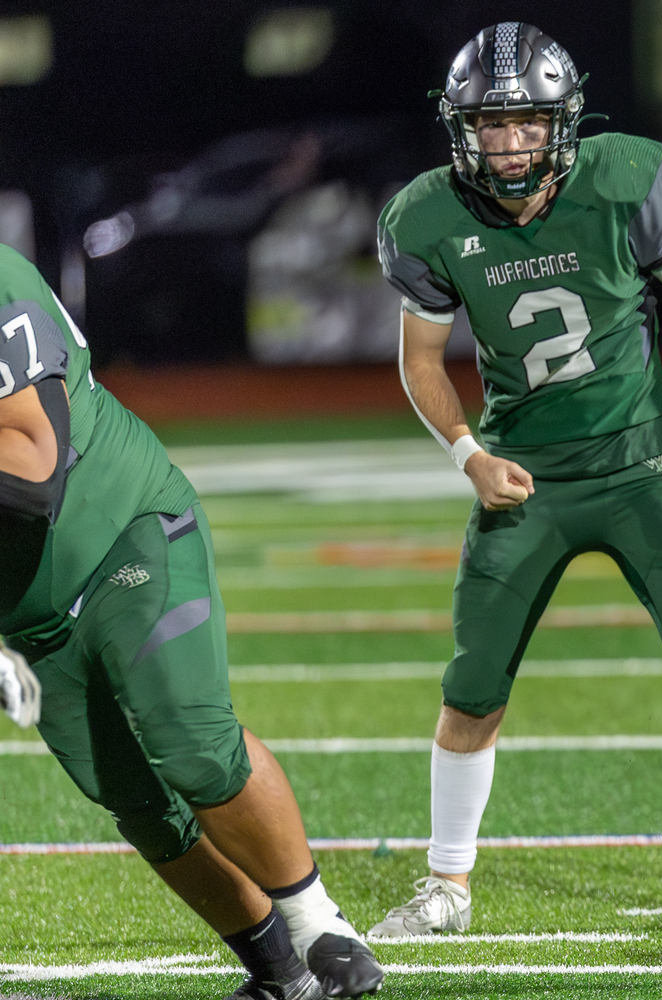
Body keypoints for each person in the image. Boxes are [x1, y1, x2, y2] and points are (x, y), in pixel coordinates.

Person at [367, 22, 662, 936]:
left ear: (562, 122)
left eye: (527, 123)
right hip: (525, 472)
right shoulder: (429, 218)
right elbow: (422, 360)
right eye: (490, 126)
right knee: (473, 686)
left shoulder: (621, 183)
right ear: (462, 130)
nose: (508, 144)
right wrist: (469, 454)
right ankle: (447, 886)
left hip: (640, 458)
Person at [0, 244, 383, 999]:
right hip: (28, 606)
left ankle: (319, 927)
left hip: (122, 531)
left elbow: (33, 468)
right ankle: (277, 970)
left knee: (192, 746)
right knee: (138, 804)